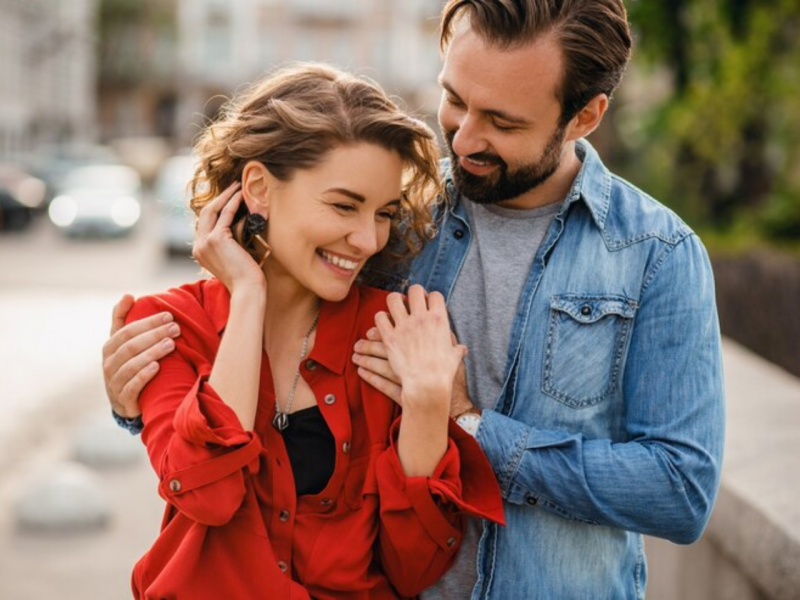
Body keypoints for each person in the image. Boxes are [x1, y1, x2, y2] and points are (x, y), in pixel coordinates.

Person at [104, 1, 725, 598]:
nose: (463, 139)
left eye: (503, 122)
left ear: (584, 116)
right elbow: (273, 346)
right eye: (454, 100)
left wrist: (466, 423)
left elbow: (680, 491)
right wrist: (143, 396)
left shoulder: (656, 255)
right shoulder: (402, 224)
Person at [111, 62, 504, 600]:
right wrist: (247, 295)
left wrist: (430, 403)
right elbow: (210, 495)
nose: (367, 239)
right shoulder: (168, 326)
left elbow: (413, 565)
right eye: (343, 205)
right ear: (259, 189)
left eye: (384, 213)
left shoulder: (392, 331)